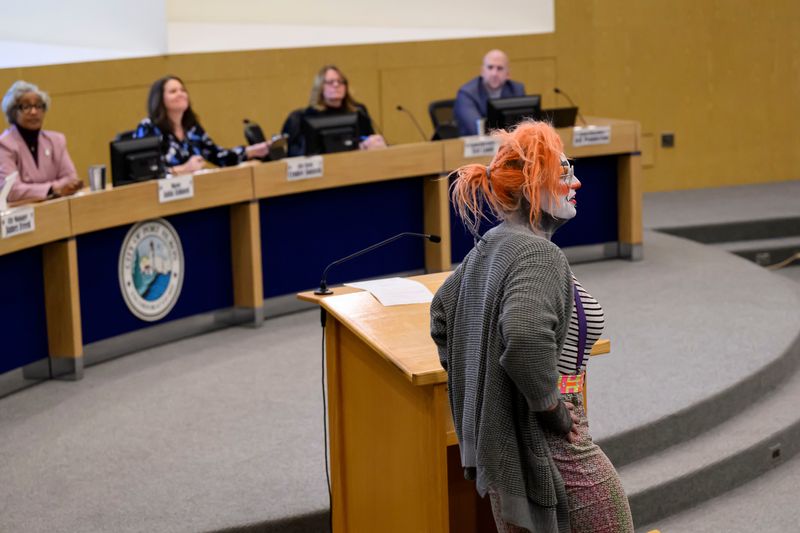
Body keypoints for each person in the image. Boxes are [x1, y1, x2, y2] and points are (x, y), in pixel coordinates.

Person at [430, 121, 633, 532]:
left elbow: (441, 316)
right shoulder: (537, 255)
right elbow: (523, 341)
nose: (576, 182)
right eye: (563, 174)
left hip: (512, 448)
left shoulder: (490, 246)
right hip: (554, 443)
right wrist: (550, 408)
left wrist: (490, 399)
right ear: (530, 187)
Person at [134, 75, 269, 174]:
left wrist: (251, 151)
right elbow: (144, 171)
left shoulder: (191, 127)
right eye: (173, 91)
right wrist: (182, 170)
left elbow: (217, 156)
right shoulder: (148, 127)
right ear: (159, 99)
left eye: (183, 90)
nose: (181, 94)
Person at [0, 81, 82, 202]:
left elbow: (71, 179)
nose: (34, 112)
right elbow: (11, 190)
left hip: (57, 209)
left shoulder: (56, 140)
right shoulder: (5, 144)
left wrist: (48, 190)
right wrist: (52, 190)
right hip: (23, 215)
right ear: (13, 111)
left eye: (38, 106)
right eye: (26, 107)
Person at [281, 65, 386, 156]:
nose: (336, 85)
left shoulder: (358, 112)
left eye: (340, 82)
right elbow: (294, 153)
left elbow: (368, 138)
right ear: (320, 87)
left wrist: (373, 143)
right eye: (330, 82)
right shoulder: (303, 117)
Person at [454, 49, 526, 137]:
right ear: (482, 71)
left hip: (509, 145)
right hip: (476, 147)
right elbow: (477, 130)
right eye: (490, 67)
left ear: (508, 74)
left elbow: (523, 126)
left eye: (499, 68)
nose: (494, 73)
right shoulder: (466, 94)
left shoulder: (516, 90)